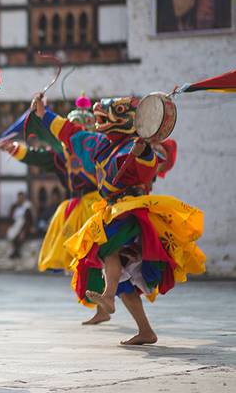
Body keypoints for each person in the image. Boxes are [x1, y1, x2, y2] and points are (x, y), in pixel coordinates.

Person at [32, 93, 206, 345]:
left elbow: (148, 169)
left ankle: (108, 296)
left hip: (130, 209)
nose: (99, 116)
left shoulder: (135, 145)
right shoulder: (99, 142)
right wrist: (43, 114)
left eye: (112, 111)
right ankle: (144, 329)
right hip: (111, 207)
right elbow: (69, 132)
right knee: (125, 282)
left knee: (105, 248)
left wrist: (144, 151)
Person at [0, 93, 109, 325]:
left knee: (102, 257)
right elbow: (39, 157)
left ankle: (107, 301)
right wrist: (15, 148)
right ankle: (100, 305)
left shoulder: (96, 150)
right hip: (76, 209)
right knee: (86, 260)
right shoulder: (62, 157)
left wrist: (43, 114)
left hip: (97, 207)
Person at [7, 191, 32, 259]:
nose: (20, 199)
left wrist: (24, 231)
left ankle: (16, 252)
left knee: (19, 238)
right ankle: (15, 252)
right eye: (19, 197)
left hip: (23, 227)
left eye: (22, 198)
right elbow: (10, 218)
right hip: (15, 226)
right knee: (11, 236)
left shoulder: (27, 208)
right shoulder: (14, 207)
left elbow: (29, 221)